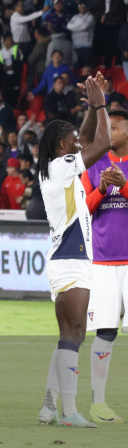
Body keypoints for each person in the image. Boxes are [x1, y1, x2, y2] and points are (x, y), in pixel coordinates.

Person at [36, 74, 111, 428]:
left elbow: (86, 137)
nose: (78, 144)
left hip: (67, 258)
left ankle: (50, 406)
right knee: (75, 334)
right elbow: (102, 142)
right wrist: (101, 104)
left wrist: (91, 108)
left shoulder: (58, 167)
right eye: (72, 142)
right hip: (70, 259)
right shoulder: (61, 166)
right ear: (59, 146)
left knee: (70, 336)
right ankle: (69, 412)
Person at [80, 109, 128, 423]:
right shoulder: (94, 164)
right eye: (106, 127)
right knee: (106, 332)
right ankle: (98, 403)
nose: (109, 132)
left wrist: (124, 186)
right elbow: (83, 208)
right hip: (103, 262)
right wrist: (100, 189)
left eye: (115, 127)